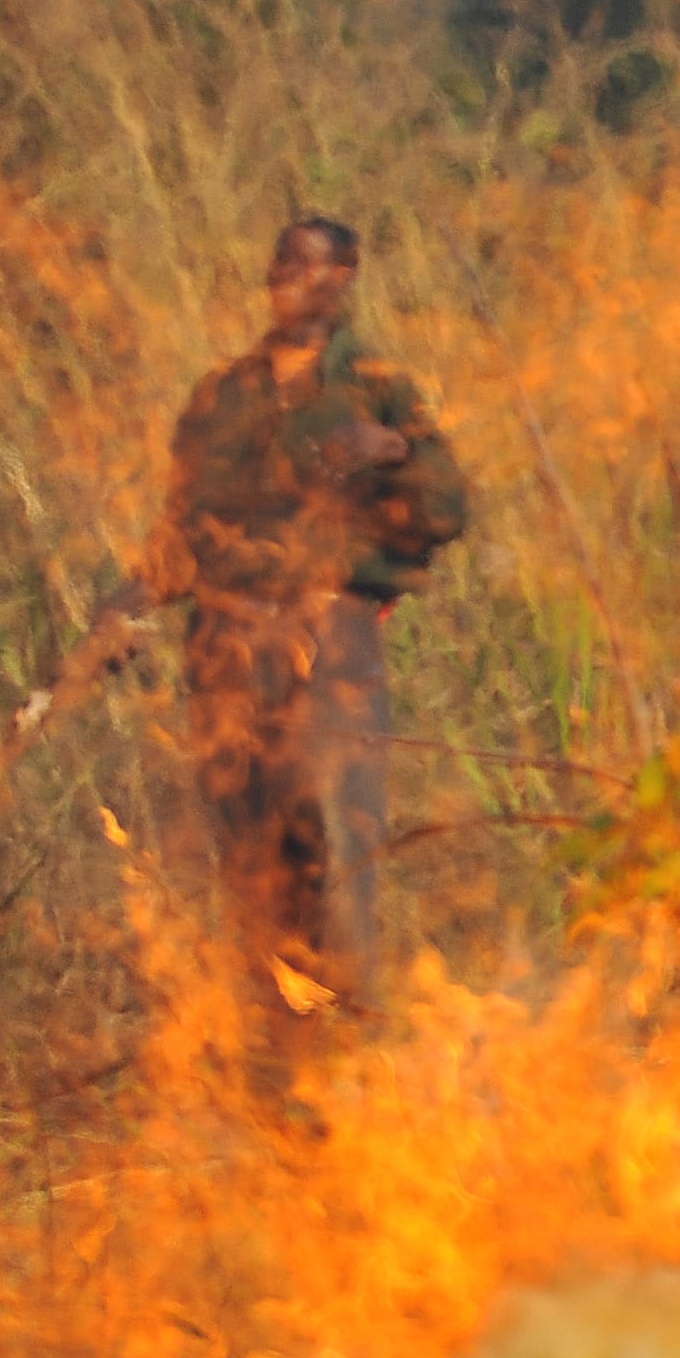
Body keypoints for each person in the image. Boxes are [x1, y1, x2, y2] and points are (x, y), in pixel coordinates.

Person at [103, 215, 468, 1031]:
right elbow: (181, 534)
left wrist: (393, 451)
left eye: (310, 267)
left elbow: (447, 511)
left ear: (346, 277)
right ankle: (269, 1047)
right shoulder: (222, 395)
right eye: (279, 265)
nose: (289, 280)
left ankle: (347, 1039)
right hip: (225, 643)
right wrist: (120, 611)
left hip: (328, 642)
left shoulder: (379, 388)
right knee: (244, 843)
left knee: (331, 832)